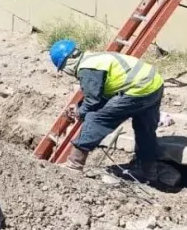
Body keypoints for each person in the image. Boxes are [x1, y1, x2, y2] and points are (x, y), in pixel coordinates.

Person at [49, 38, 166, 183]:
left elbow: (93, 102)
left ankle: (74, 164)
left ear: (66, 64)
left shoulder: (87, 68)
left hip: (138, 90)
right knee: (145, 130)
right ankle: (149, 171)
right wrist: (80, 106)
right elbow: (101, 94)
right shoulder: (94, 58)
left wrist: (80, 111)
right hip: (154, 84)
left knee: (96, 118)